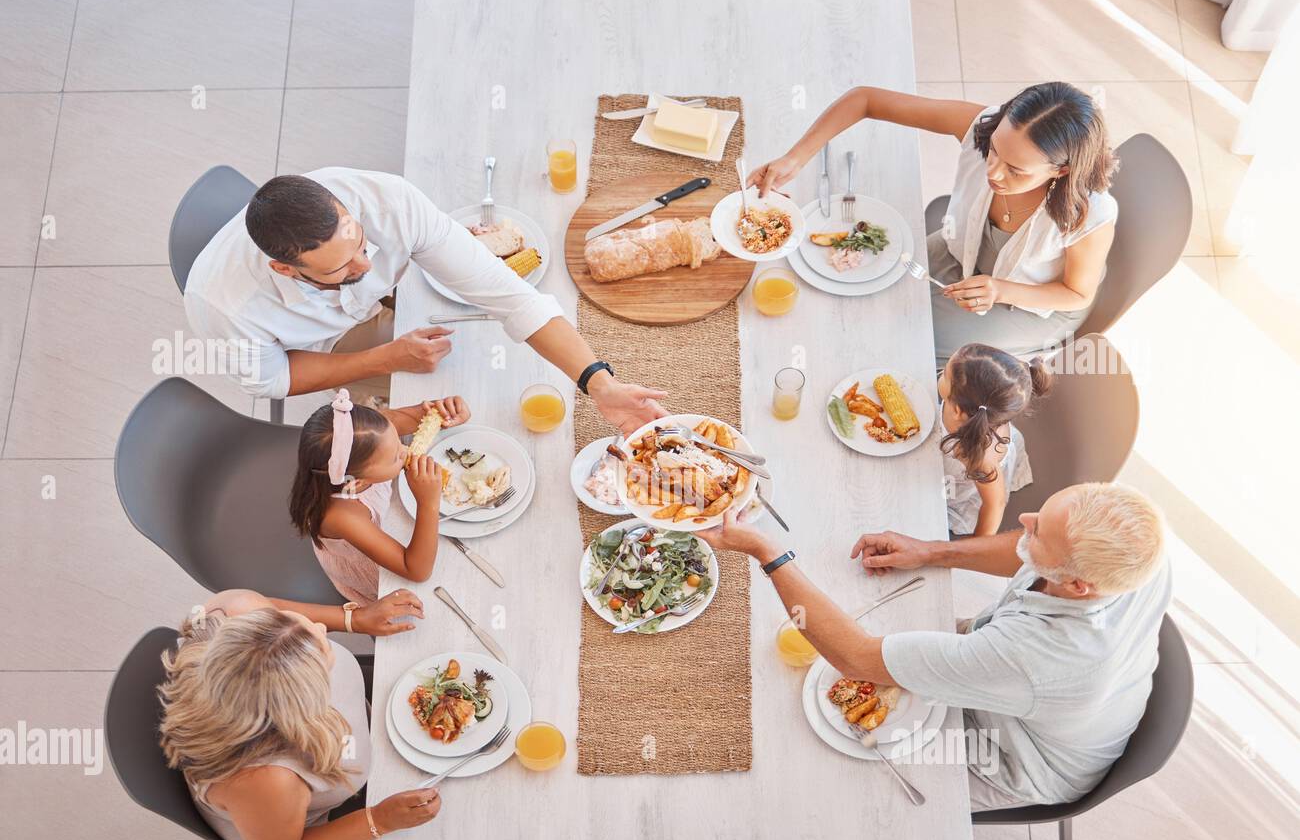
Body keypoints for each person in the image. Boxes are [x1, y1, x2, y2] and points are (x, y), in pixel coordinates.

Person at [698, 483, 1170, 810]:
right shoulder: (1140, 543)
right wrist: (930, 550)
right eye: (1040, 513)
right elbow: (1030, 549)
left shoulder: (1036, 656)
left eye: (1038, 529)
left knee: (829, 782)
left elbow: (854, 657)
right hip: (1059, 701)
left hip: (1018, 759)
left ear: (1079, 586)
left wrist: (767, 552)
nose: (1024, 518)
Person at [184, 167, 665, 431]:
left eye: (361, 243)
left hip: (378, 307)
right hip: (314, 349)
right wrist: (386, 357)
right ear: (286, 269)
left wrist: (598, 383)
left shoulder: (390, 203)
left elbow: (512, 297)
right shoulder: (224, 307)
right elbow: (273, 379)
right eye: (342, 268)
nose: (367, 266)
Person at [748, 82, 1118, 362]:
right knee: (861, 296)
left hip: (1029, 301)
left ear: (1062, 169)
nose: (994, 172)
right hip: (964, 253)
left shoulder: (1089, 214)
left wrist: (1000, 290)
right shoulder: (982, 126)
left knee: (909, 345)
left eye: (1016, 170)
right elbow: (866, 100)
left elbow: (1077, 294)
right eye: (993, 151)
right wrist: (795, 159)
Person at [158, 588, 439, 840]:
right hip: (280, 815)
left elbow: (272, 605)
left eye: (284, 620)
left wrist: (354, 619)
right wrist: (379, 820)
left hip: (356, 727)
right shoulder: (265, 780)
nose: (319, 627)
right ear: (300, 708)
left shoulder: (235, 612)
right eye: (320, 650)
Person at [289, 390, 468, 605]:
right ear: (357, 483)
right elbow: (416, 570)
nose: (404, 449)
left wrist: (443, 412)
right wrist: (428, 502)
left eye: (396, 439)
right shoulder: (343, 516)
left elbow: (404, 419)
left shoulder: (371, 435)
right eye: (395, 457)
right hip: (369, 568)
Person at [938, 343, 1050, 536]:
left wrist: (976, 547)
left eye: (945, 376)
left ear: (956, 410)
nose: (940, 374)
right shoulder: (975, 410)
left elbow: (995, 504)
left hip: (956, 488)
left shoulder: (979, 457)